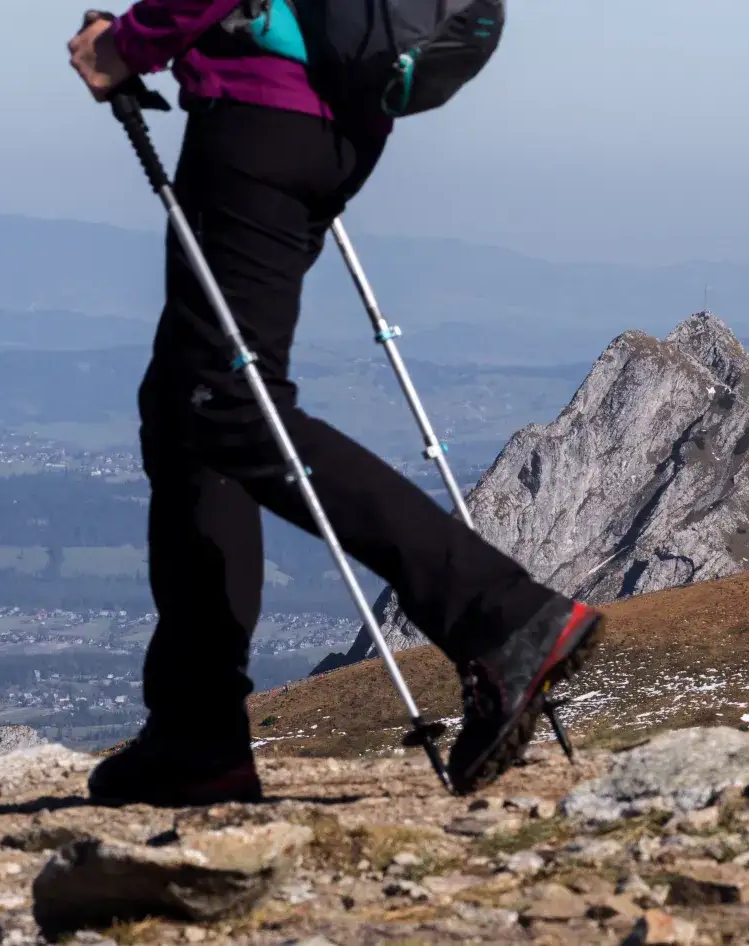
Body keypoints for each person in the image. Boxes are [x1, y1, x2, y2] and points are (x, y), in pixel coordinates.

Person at [67, 1, 604, 804]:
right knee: (189, 410)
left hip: (260, 113)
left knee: (227, 406)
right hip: (336, 114)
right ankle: (195, 733)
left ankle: (501, 616)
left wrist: (132, 43)